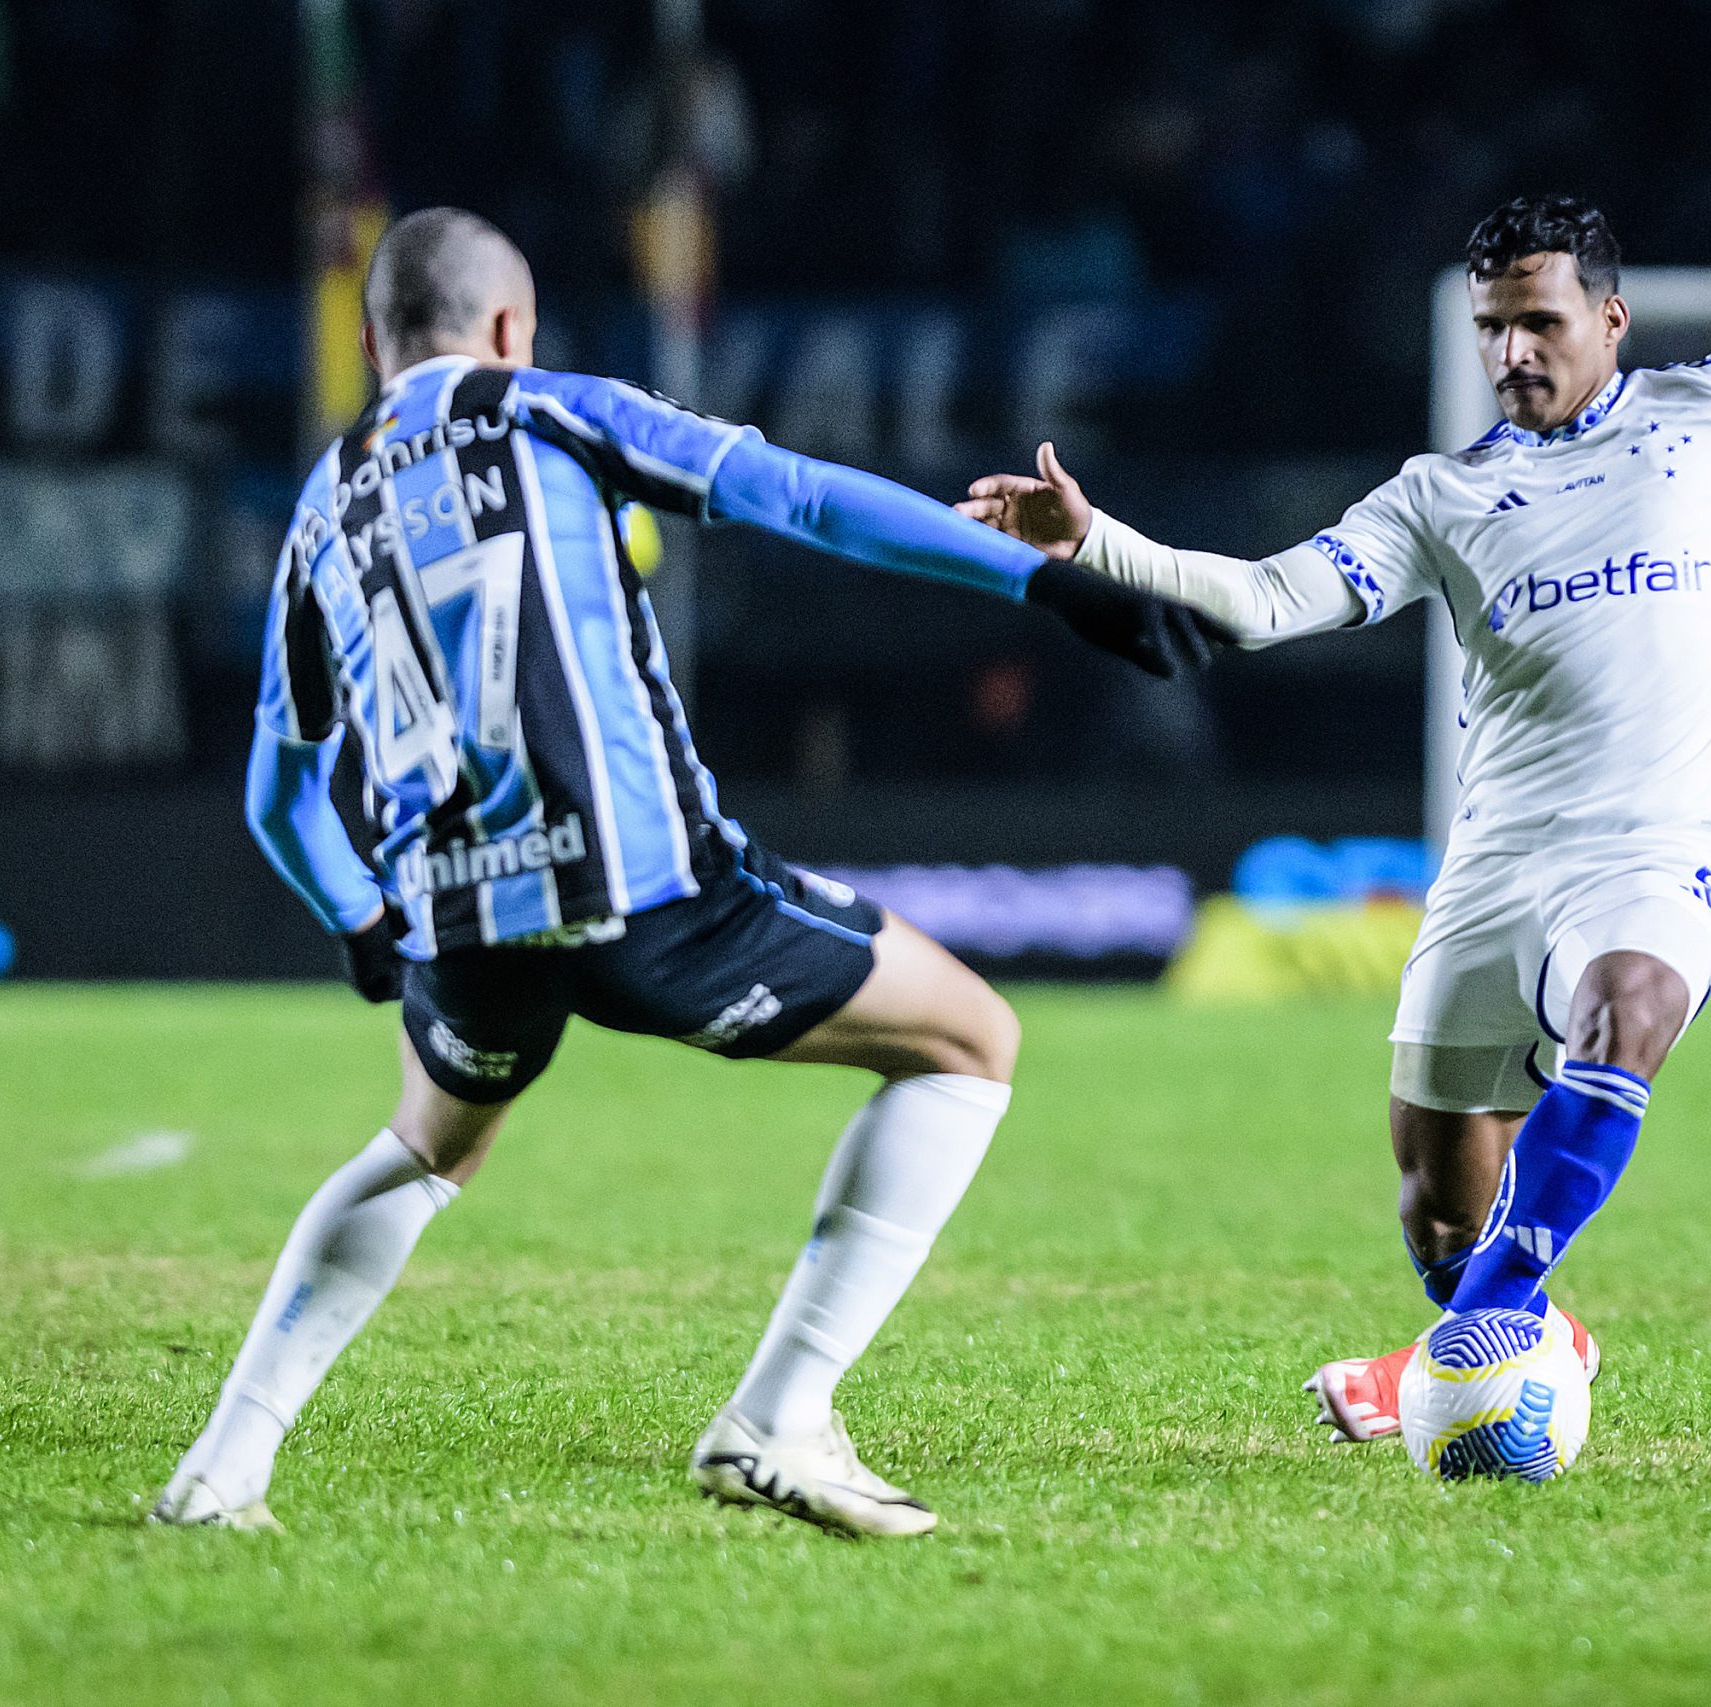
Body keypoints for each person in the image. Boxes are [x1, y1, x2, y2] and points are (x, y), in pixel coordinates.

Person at [956, 193, 1711, 1444]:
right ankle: (1523, 1326)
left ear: (1609, 318)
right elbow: (1258, 603)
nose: (1512, 352)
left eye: (1538, 321)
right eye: (1491, 328)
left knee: (1621, 1014)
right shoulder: (1437, 496)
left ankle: (1479, 1330)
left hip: (1664, 846)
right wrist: (1094, 539)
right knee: (1436, 1210)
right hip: (1499, 864)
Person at [153, 207, 1221, 1538]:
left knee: (429, 1143)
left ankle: (222, 1468)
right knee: (968, 1036)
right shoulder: (550, 410)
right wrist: (1044, 583)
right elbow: (799, 495)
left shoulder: (323, 500)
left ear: (369, 341)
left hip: (459, 910)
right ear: (506, 330)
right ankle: (779, 1415)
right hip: (637, 879)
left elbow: (278, 790)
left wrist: (362, 918)